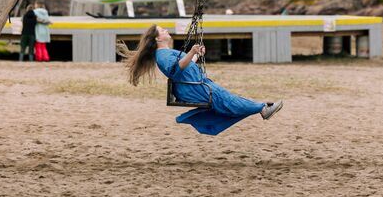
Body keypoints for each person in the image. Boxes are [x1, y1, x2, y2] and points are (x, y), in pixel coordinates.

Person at [120, 25, 283, 135]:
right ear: (157, 39)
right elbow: (176, 70)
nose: (166, 30)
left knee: (230, 99)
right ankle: (262, 108)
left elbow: (187, 63)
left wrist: (197, 54)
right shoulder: (162, 55)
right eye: (162, 30)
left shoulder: (166, 52)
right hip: (194, 89)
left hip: (199, 85)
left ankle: (261, 108)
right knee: (228, 102)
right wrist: (191, 52)